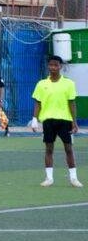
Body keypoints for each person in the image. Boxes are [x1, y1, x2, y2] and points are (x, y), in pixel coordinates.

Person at [30, 55, 81, 188]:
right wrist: (34, 119)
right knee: (49, 149)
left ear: (60, 66)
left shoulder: (69, 83)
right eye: (51, 65)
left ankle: (74, 178)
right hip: (48, 121)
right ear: (48, 66)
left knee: (68, 149)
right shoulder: (41, 84)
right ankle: (49, 178)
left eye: (55, 65)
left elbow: (72, 103)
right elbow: (37, 103)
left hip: (65, 121)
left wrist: (74, 122)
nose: (53, 67)